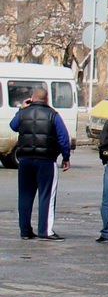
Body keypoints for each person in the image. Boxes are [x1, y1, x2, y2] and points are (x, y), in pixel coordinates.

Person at [10, 87, 72, 241]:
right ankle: (45, 231)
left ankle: (25, 231)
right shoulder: (53, 115)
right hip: (46, 161)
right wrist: (66, 157)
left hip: (24, 161)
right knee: (47, 195)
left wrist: (21, 109)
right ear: (46, 99)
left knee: (24, 196)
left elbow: (13, 125)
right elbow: (63, 138)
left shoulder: (22, 114)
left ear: (31, 97)